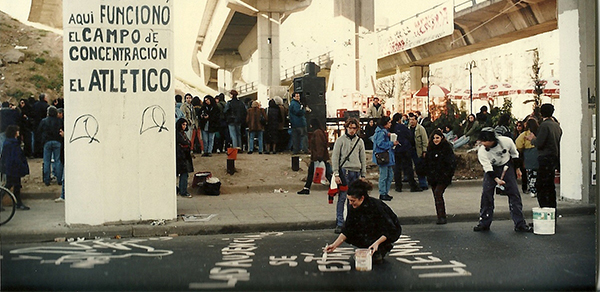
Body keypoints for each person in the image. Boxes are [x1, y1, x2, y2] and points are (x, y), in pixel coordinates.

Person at [324, 180, 401, 264]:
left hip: (390, 229)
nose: (350, 203)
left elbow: (389, 229)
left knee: (372, 234)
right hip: (370, 229)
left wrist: (377, 243)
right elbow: (348, 228)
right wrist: (334, 245)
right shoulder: (352, 206)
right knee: (353, 233)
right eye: (349, 200)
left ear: (362, 198)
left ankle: (381, 248)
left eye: (353, 201)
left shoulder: (376, 206)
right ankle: (368, 247)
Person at [473, 128, 532, 232]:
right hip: (492, 168)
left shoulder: (506, 141)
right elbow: (488, 169)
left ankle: (520, 224)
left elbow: (515, 154)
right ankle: (484, 223)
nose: (483, 144)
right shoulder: (482, 151)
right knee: (486, 194)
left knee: (514, 194)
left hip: (506, 165)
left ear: (492, 140)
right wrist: (496, 180)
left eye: (485, 142)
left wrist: (517, 169)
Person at [331, 117, 367, 234]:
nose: (351, 130)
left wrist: (363, 174)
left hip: (356, 171)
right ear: (346, 128)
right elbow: (335, 157)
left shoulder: (359, 141)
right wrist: (336, 173)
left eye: (354, 128)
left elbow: (363, 158)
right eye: (349, 128)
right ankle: (340, 223)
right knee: (343, 198)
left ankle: (352, 222)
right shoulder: (340, 140)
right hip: (345, 171)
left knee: (354, 199)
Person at [526, 103, 562, 210]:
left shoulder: (544, 126)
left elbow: (540, 143)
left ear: (541, 113)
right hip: (553, 157)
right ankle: (551, 211)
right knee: (550, 186)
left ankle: (544, 211)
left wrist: (532, 139)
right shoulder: (556, 125)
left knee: (541, 186)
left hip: (545, 158)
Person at [424, 129, 456, 224]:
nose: (435, 140)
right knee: (436, 196)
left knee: (438, 193)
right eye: (434, 138)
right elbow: (427, 163)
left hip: (443, 177)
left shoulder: (446, 148)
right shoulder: (430, 148)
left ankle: (442, 217)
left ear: (442, 138)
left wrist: (447, 174)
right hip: (433, 177)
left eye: (437, 138)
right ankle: (440, 215)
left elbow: (451, 163)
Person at [298, 119, 332, 195]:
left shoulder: (317, 133)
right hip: (320, 157)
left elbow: (318, 145)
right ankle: (306, 188)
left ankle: (307, 188)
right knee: (325, 173)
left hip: (318, 157)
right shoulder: (320, 132)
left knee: (319, 173)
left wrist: (319, 156)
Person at [1, 125, 30, 210]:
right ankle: (19, 203)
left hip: (10, 168)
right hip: (14, 168)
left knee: (11, 184)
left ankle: (18, 203)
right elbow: (16, 157)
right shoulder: (13, 144)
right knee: (14, 185)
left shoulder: (8, 143)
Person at [391, 113, 421, 192]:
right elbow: (410, 136)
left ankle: (398, 186)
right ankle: (413, 186)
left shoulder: (392, 127)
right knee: (408, 168)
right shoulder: (403, 127)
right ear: (400, 119)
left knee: (397, 169)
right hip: (405, 149)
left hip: (396, 150)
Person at [372, 116, 397, 201]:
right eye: (389, 122)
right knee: (384, 176)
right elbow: (380, 144)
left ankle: (385, 192)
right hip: (383, 156)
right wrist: (391, 143)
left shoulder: (383, 132)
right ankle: (383, 193)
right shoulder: (381, 133)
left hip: (386, 156)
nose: (390, 124)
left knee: (389, 175)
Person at [37, 106, 62, 186]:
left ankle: (47, 180)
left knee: (47, 161)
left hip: (47, 142)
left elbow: (39, 131)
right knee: (57, 161)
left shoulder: (44, 121)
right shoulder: (59, 121)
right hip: (57, 141)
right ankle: (59, 179)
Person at [516, 118, 539, 198]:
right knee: (538, 173)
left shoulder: (525, 134)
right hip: (539, 153)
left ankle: (533, 190)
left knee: (531, 173)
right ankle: (538, 189)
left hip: (529, 154)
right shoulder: (539, 133)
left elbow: (518, 145)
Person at [408, 113, 428, 190]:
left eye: (413, 119)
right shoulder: (408, 128)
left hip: (418, 151)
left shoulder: (421, 129)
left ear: (416, 120)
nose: (411, 121)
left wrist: (424, 151)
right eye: (410, 120)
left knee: (420, 168)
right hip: (409, 151)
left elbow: (425, 141)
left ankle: (423, 184)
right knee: (409, 168)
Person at [176, 118, 194, 198]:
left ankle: (182, 190)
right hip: (181, 155)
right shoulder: (178, 134)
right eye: (183, 124)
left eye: (185, 125)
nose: (184, 126)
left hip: (184, 155)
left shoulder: (182, 133)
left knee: (184, 174)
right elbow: (184, 142)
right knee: (184, 173)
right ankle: (183, 191)